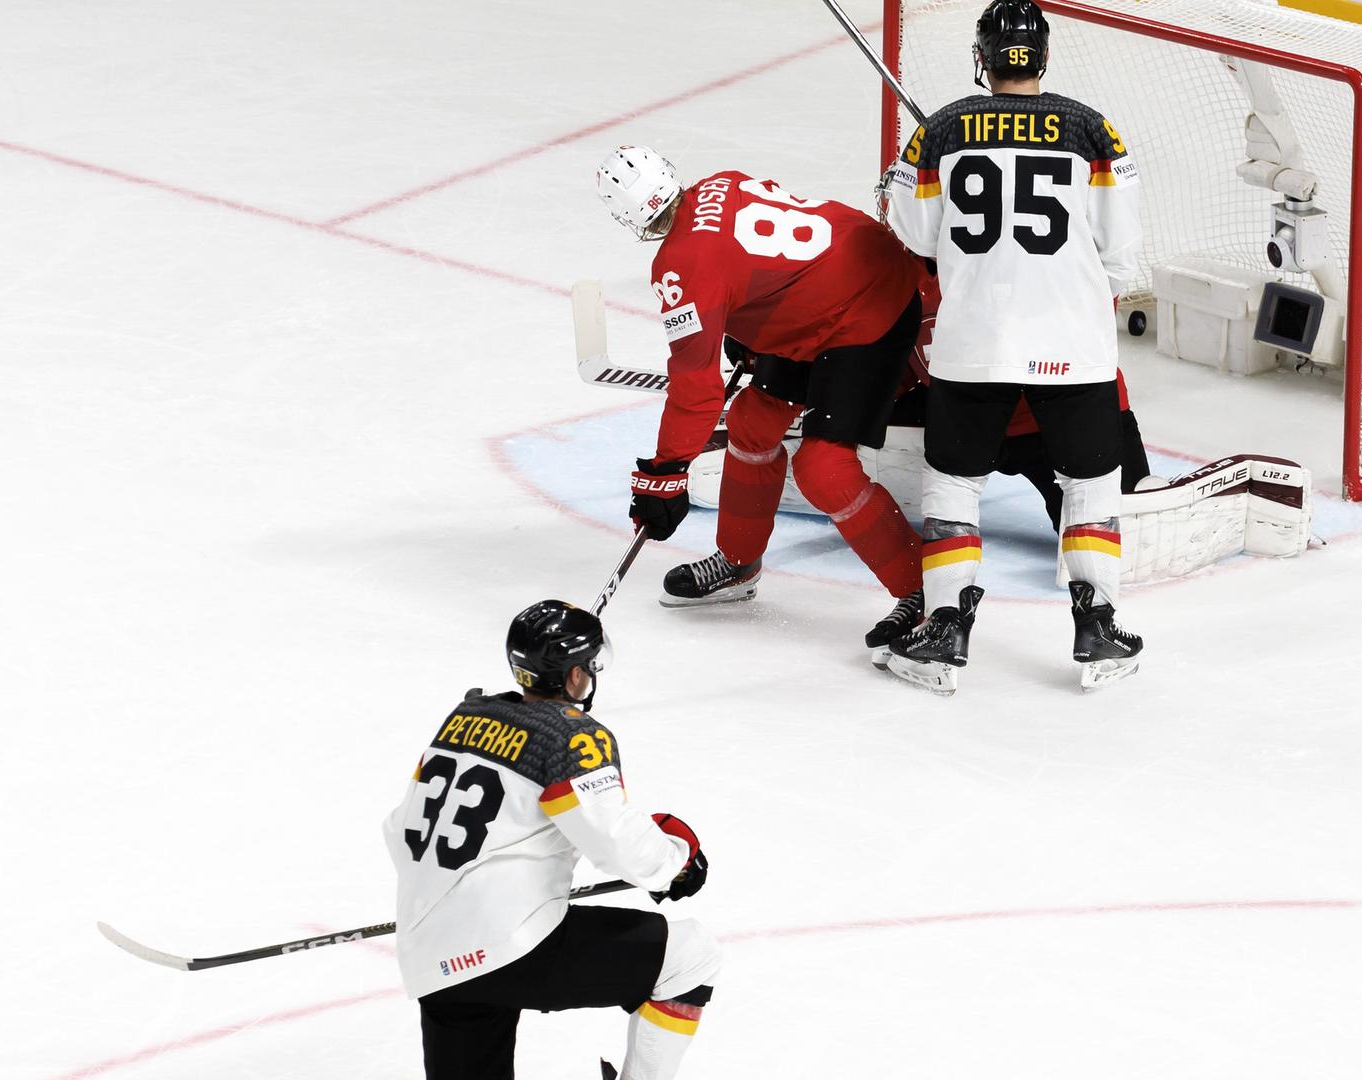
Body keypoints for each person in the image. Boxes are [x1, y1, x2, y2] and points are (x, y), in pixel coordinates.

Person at [878, 0, 1146, 692]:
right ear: (1044, 57)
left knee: (954, 484)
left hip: (974, 343)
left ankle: (944, 628)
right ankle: (1098, 624)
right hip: (1073, 344)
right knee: (1089, 485)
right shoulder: (1093, 129)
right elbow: (1123, 255)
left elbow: (914, 237)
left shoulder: (939, 131)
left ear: (985, 58)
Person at [596, 145, 925, 631]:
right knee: (751, 423)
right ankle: (737, 562)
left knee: (824, 468)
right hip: (852, 273)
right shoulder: (720, 182)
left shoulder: (680, 267)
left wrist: (665, 474)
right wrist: (748, 328)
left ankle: (922, 592)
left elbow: (696, 389)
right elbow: (759, 263)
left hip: (870, 312)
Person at [386, 600, 718, 1079]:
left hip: (428, 953)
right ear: (573, 676)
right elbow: (620, 846)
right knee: (692, 957)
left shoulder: (461, 720)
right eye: (588, 665)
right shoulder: (569, 739)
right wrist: (676, 860)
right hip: (510, 947)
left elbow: (398, 831)